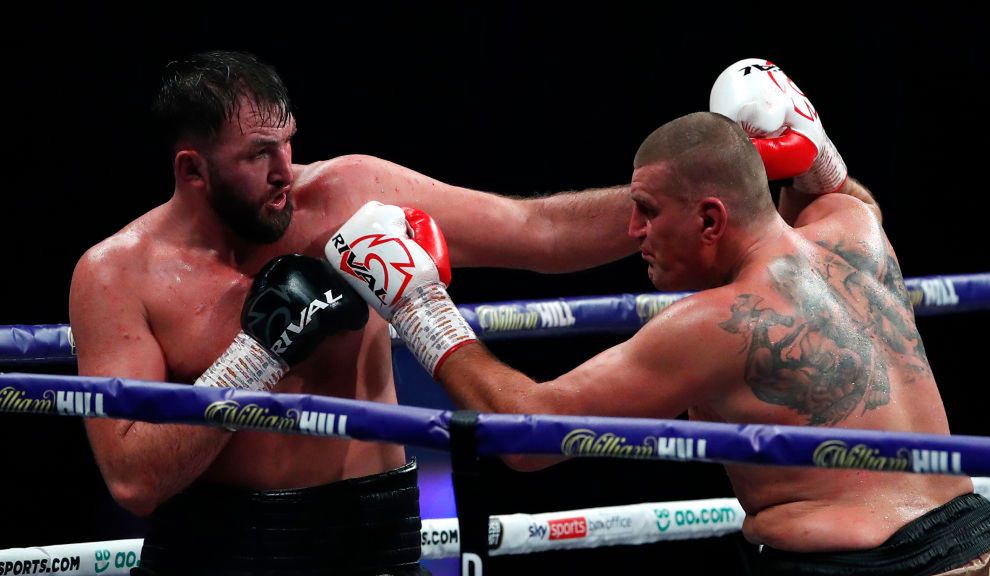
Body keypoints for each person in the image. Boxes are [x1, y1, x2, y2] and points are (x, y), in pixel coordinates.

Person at [330, 59, 990, 575]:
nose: (633, 230)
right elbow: (838, 191)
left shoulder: (714, 326)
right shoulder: (857, 230)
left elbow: (526, 435)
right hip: (985, 547)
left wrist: (417, 304)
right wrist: (812, 145)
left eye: (648, 210)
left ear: (712, 218)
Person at [68, 50, 637, 576]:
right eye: (257, 154)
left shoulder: (352, 198)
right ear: (192, 170)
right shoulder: (117, 274)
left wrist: (684, 198)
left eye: (287, 143)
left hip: (373, 539)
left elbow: (543, 232)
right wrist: (254, 358)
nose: (284, 170)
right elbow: (134, 479)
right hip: (215, 550)